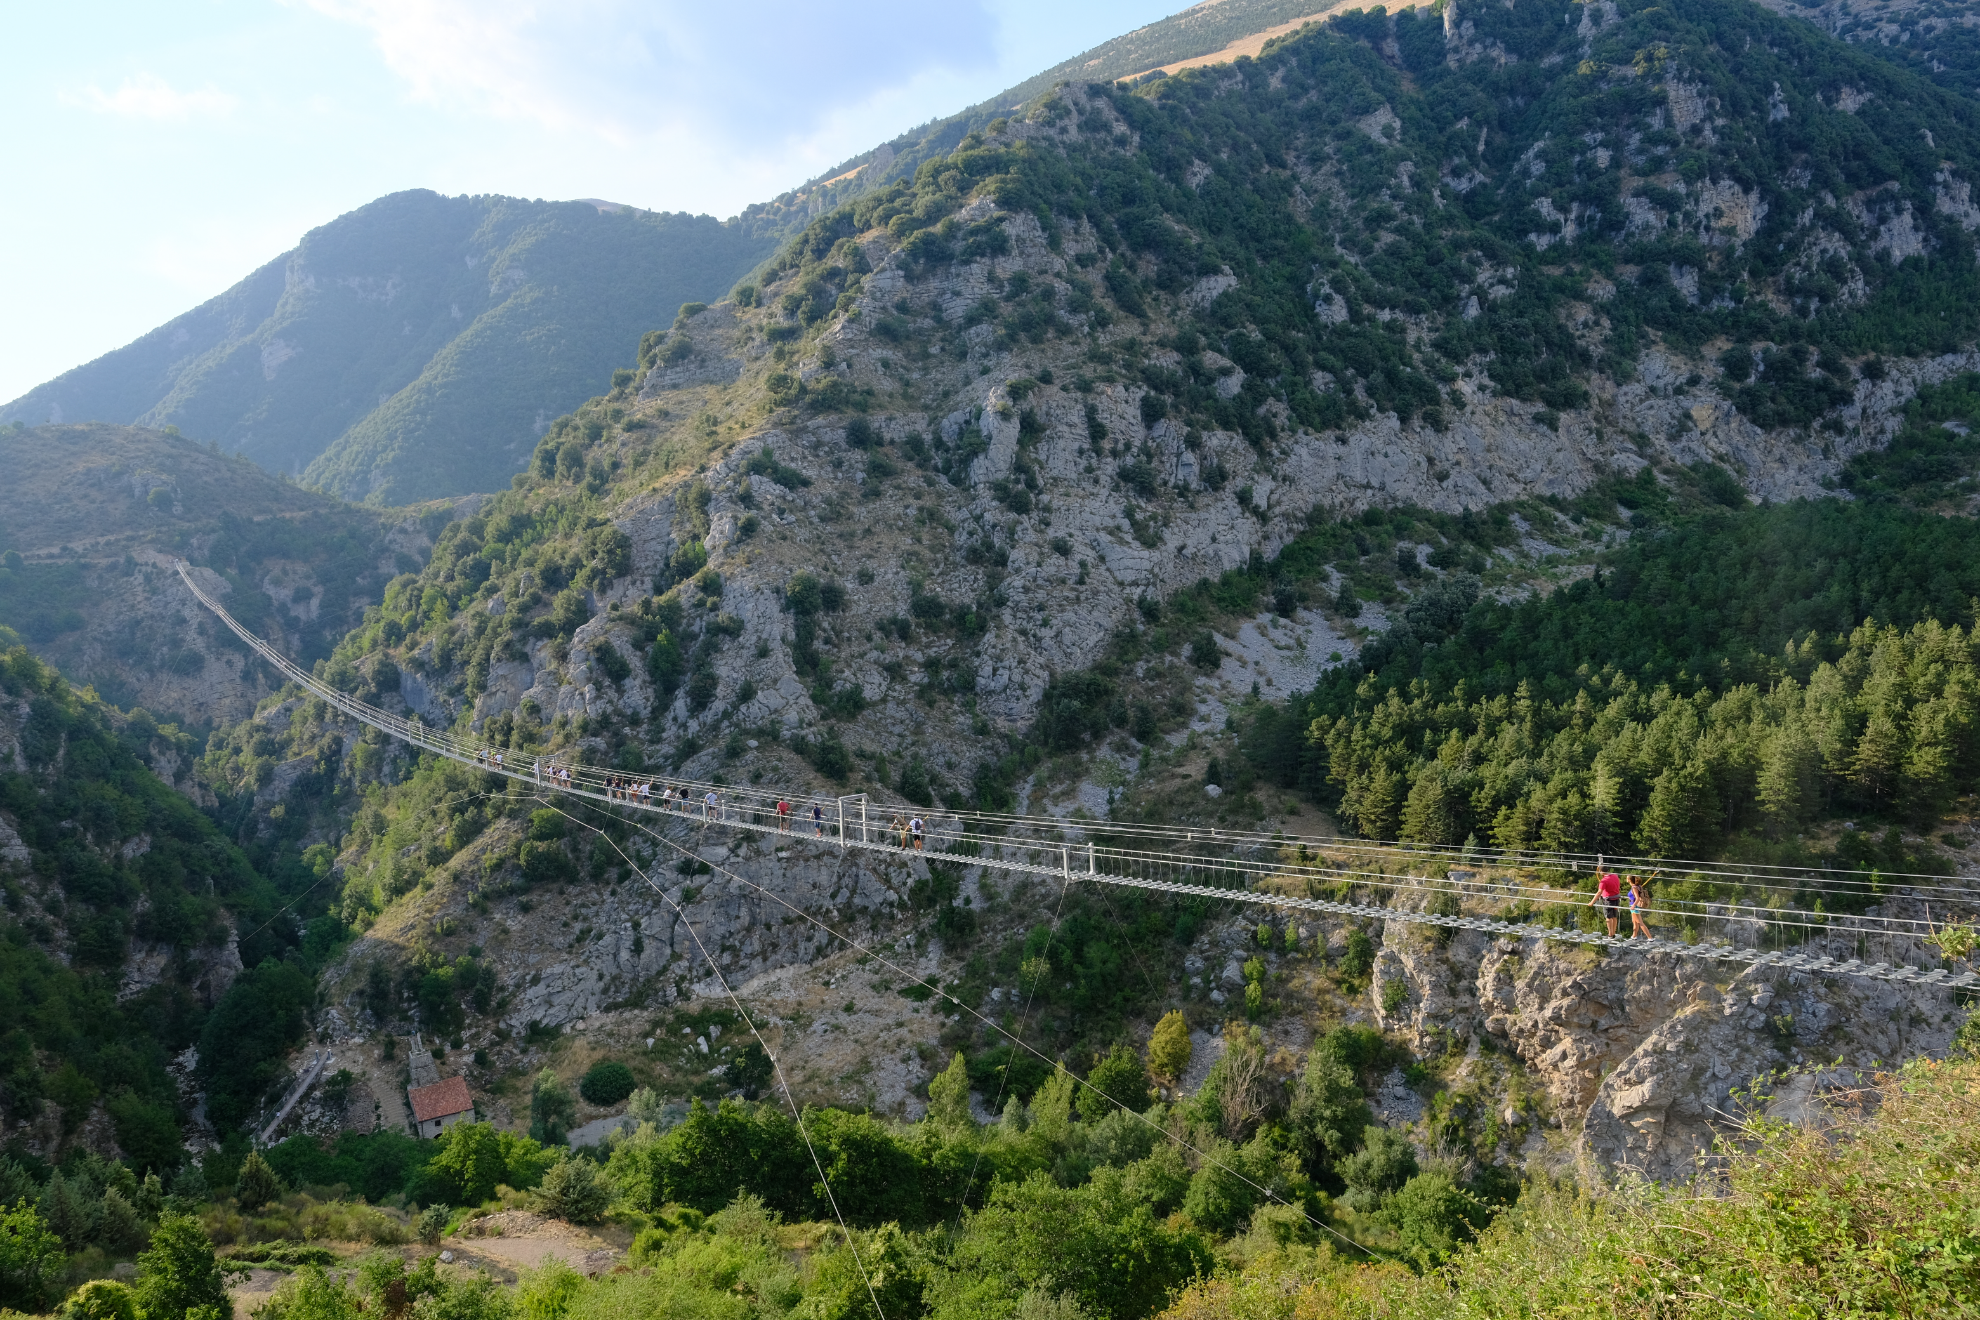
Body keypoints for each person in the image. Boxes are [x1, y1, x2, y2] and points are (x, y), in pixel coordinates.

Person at [1591, 870, 1622, 937]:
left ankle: (1610, 934)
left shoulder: (1604, 881)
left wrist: (1592, 902)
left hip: (1608, 901)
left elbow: (1599, 892)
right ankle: (1613, 932)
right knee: (1614, 916)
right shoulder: (1615, 876)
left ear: (1601, 872)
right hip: (1616, 899)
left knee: (1608, 917)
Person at [1627, 875, 1652, 939]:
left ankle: (1650, 938)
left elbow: (1637, 898)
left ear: (1630, 880)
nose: (1626, 879)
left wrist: (1633, 905)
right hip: (1633, 906)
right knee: (1634, 922)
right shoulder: (1638, 886)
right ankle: (1634, 936)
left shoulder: (1634, 888)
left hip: (1634, 906)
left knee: (1640, 922)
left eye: (1627, 878)